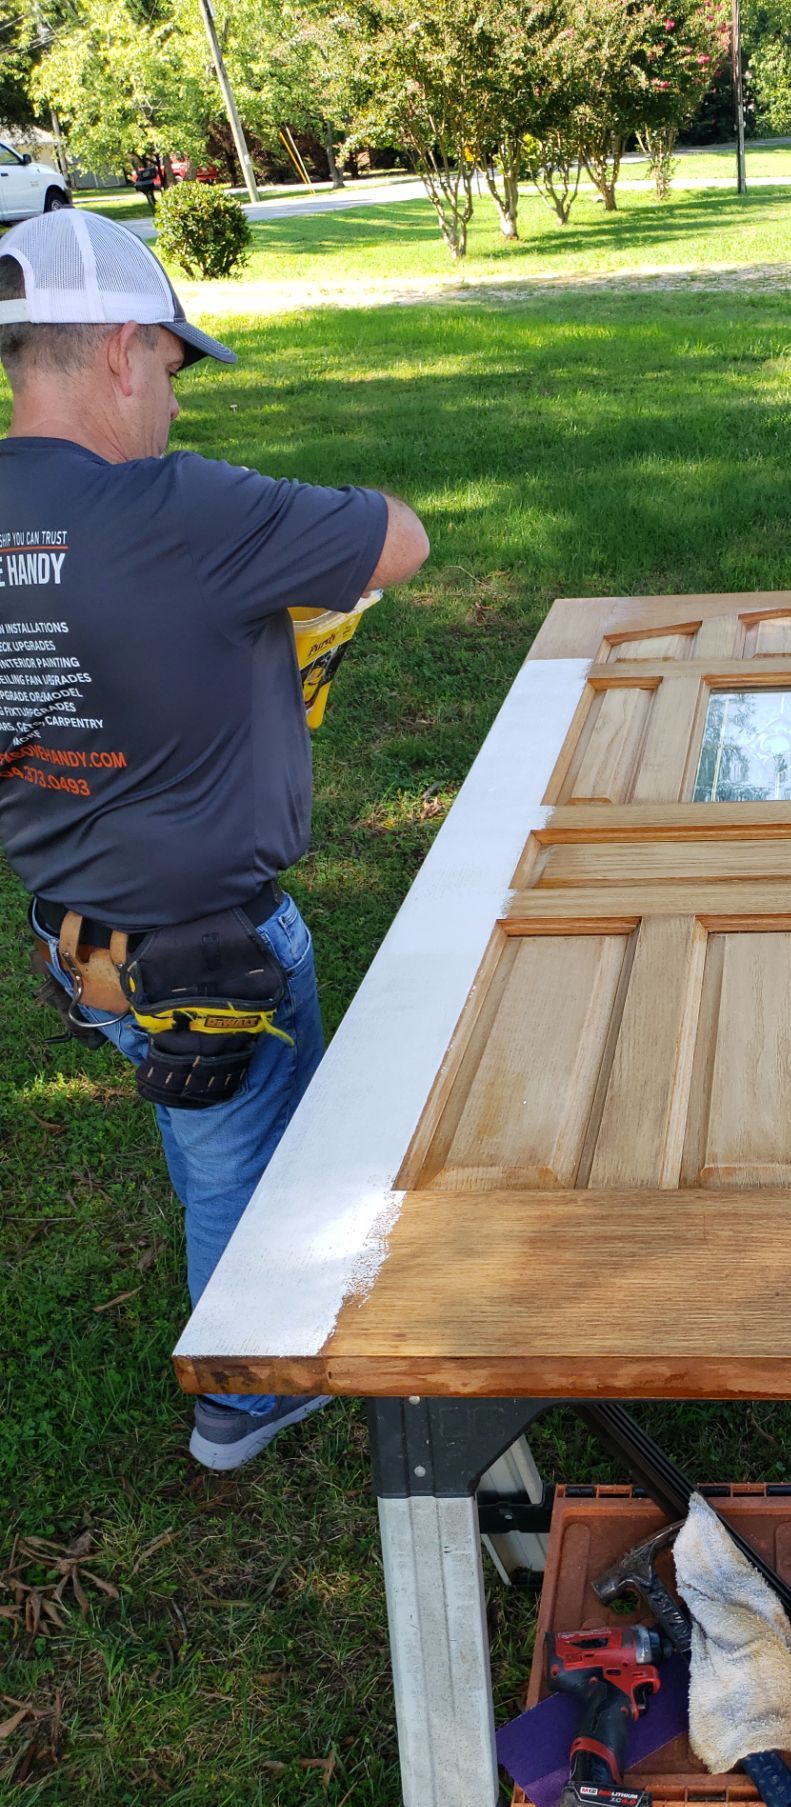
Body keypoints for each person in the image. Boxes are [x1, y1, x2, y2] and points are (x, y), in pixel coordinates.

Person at [0, 209, 429, 1468]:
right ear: (125, 351)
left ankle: (245, 1337)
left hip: (81, 925)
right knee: (251, 1158)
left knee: (204, 1134)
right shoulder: (179, 508)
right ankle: (243, 1396)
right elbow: (398, 537)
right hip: (210, 945)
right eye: (176, 376)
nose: (175, 407)